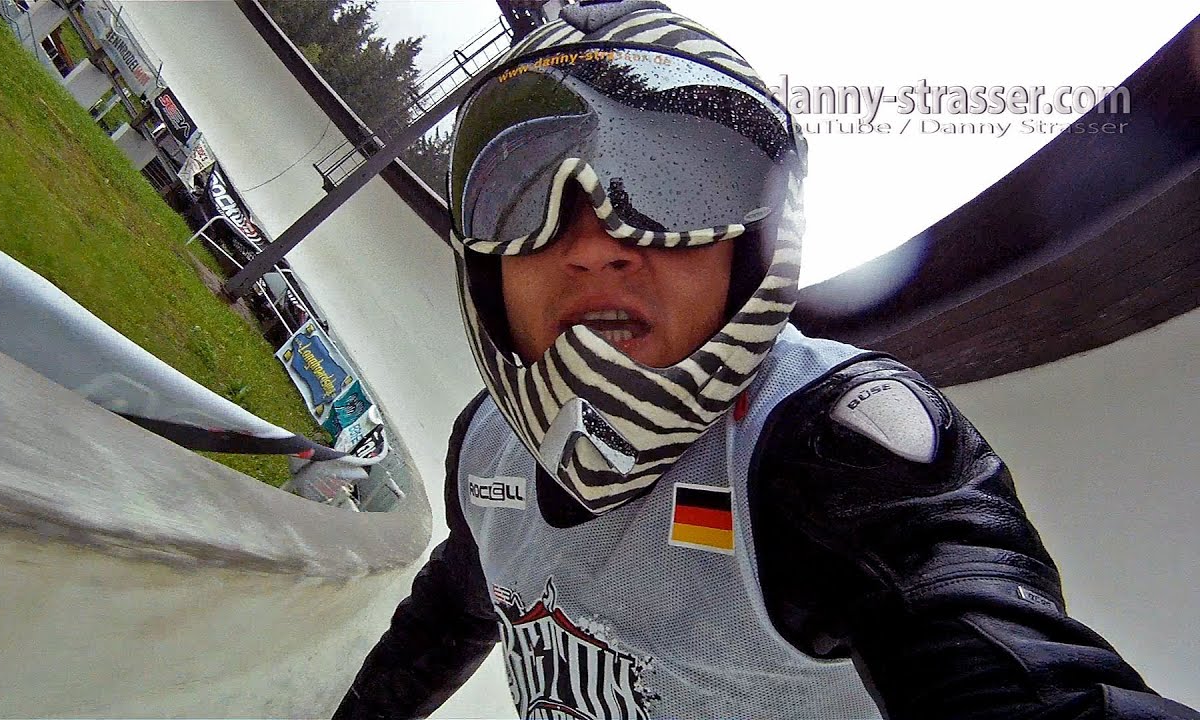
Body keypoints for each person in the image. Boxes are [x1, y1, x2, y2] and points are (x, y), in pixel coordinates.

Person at [335, 2, 1199, 718]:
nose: (596, 244)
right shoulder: (485, 447)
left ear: (755, 244)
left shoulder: (836, 451)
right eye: (520, 189)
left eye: (676, 186)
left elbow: (1000, 656)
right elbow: (460, 600)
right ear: (480, 258)